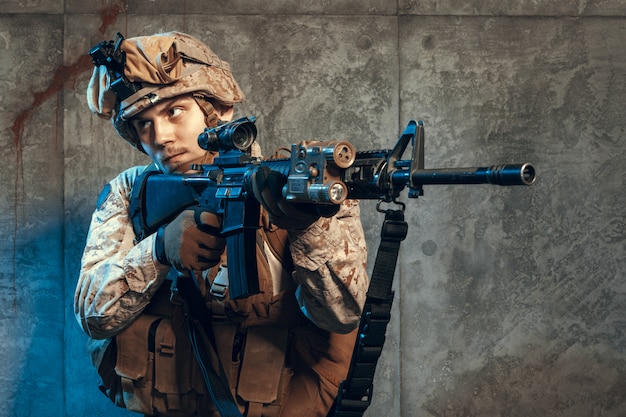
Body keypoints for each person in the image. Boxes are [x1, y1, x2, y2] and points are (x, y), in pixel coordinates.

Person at [74, 31, 369, 417]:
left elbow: (342, 315)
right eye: (143, 123)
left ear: (219, 110)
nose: (159, 137)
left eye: (173, 112)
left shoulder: (307, 187)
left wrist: (308, 227)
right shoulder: (132, 190)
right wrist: (158, 249)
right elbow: (93, 316)